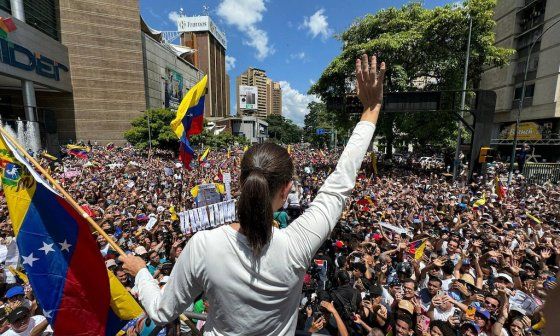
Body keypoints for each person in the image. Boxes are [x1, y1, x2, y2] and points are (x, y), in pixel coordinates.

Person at [119, 54, 386, 334]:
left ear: (240, 184)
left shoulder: (203, 246)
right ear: (286, 191)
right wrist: (371, 109)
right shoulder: (299, 244)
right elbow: (339, 183)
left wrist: (140, 273)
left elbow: (162, 311)